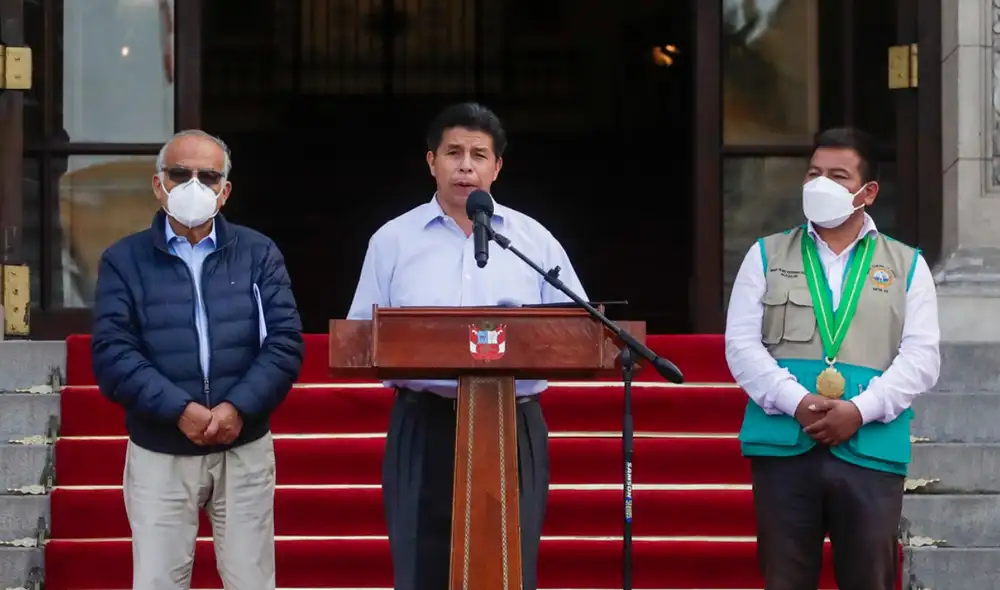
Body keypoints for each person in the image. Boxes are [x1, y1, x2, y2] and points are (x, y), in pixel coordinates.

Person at [346, 102, 587, 590]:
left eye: (479, 155)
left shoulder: (533, 240)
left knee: (511, 564)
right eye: (453, 153)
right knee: (420, 564)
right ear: (431, 161)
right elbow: (359, 336)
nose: (465, 166)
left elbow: (576, 330)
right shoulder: (393, 240)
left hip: (513, 420)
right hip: (425, 419)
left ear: (497, 167)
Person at [724, 127, 941, 590]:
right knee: (785, 579)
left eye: (838, 176)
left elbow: (921, 357)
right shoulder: (764, 255)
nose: (821, 184)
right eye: (814, 173)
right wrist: (796, 401)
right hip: (785, 444)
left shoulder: (907, 265)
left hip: (870, 448)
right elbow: (741, 345)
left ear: (868, 192)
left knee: (869, 579)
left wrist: (860, 410)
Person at [91, 129, 304, 590]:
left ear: (224, 191)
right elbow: (113, 352)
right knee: (158, 580)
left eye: (208, 177)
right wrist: (179, 409)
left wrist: (237, 408)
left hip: (242, 446)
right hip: (160, 449)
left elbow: (285, 342)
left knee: (251, 580)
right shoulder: (124, 260)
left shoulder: (258, 253)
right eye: (179, 174)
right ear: (158, 184)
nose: (194, 186)